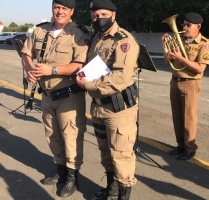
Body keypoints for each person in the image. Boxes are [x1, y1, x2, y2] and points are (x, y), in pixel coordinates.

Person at [21, 0, 89, 198]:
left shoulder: (78, 33)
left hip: (69, 95)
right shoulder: (40, 31)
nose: (59, 12)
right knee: (52, 135)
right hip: (48, 95)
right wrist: (29, 71)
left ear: (72, 11)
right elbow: (26, 53)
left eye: (64, 9)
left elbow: (79, 65)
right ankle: (60, 171)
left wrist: (51, 69)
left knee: (71, 137)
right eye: (56, 8)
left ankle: (72, 177)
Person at [76, 0, 139, 199]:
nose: (98, 19)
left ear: (113, 15)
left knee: (121, 154)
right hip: (99, 107)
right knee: (106, 153)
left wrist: (88, 85)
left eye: (103, 15)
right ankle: (111, 189)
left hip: (119, 108)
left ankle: (123, 195)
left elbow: (121, 77)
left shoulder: (123, 40)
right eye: (94, 16)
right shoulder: (97, 38)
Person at [161, 12, 209, 160]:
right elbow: (167, 62)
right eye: (183, 24)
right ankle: (180, 145)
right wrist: (164, 47)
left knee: (189, 117)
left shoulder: (204, 44)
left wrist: (181, 58)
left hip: (190, 83)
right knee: (177, 116)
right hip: (175, 81)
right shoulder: (179, 40)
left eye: (188, 25)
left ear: (198, 27)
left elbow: (200, 68)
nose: (184, 27)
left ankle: (190, 148)